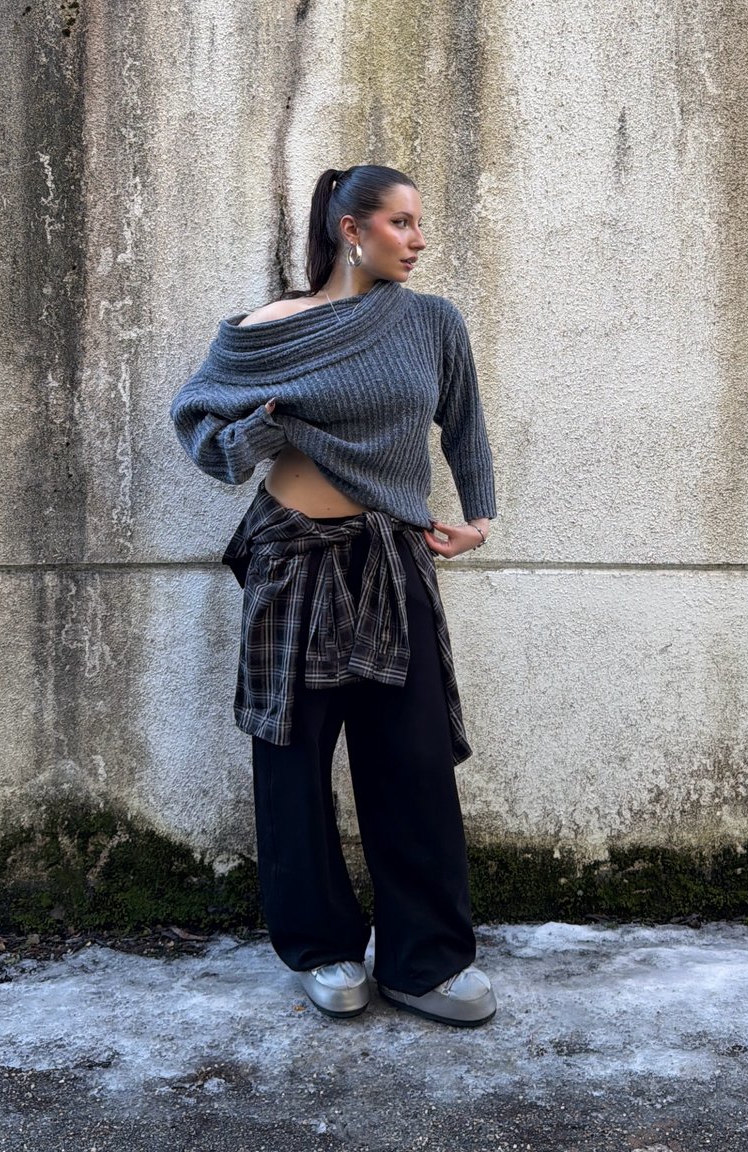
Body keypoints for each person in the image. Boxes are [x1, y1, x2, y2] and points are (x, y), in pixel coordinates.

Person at [170, 164, 497, 1027]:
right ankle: (320, 947)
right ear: (352, 229)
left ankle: (426, 959)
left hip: (392, 555)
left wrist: (480, 518)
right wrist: (265, 424)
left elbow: (462, 421)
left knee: (414, 761)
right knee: (293, 761)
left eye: (421, 223)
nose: (419, 239)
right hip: (291, 562)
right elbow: (202, 429)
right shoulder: (269, 329)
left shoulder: (431, 322)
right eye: (402, 223)